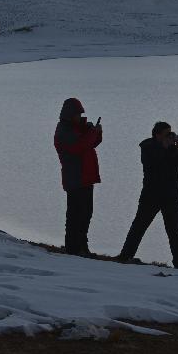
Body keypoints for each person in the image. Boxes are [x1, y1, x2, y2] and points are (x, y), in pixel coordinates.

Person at [117, 121, 178, 269]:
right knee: (139, 226)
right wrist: (165, 148)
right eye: (167, 134)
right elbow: (152, 163)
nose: (171, 136)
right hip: (151, 195)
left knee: (174, 231)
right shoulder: (148, 147)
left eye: (171, 133)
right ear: (158, 134)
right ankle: (125, 255)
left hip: (171, 195)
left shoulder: (173, 148)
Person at [53, 97, 102, 256]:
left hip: (85, 177)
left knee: (86, 214)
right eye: (77, 114)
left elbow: (91, 143)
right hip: (76, 178)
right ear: (69, 114)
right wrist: (93, 132)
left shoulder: (76, 129)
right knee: (75, 215)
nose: (79, 116)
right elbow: (80, 146)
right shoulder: (64, 131)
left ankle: (82, 247)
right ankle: (73, 249)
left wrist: (95, 133)